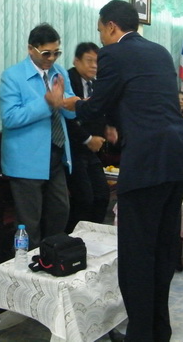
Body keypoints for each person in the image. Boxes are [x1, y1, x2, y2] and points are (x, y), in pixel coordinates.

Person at [64, 0, 183, 341]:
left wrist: (72, 104)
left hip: (147, 163)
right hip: (176, 158)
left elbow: (98, 106)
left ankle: (140, 335)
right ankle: (158, 331)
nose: (100, 39)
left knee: (137, 255)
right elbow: (142, 100)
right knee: (163, 250)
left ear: (111, 27)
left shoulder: (114, 53)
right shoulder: (159, 52)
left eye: (100, 31)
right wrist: (115, 124)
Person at [0, 23, 75, 248]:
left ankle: (51, 257)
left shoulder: (59, 73)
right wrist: (46, 103)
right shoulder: (12, 76)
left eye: (56, 53)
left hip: (56, 154)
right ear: (31, 49)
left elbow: (69, 112)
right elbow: (10, 118)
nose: (51, 58)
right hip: (26, 160)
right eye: (46, 53)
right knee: (29, 222)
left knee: (60, 210)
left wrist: (74, 104)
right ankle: (26, 265)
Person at [65, 42, 111, 232]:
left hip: (91, 151)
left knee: (102, 195)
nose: (94, 66)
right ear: (76, 61)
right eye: (89, 61)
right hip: (72, 150)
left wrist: (108, 127)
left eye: (96, 62)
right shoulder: (68, 80)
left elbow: (101, 111)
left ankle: (94, 235)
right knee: (84, 198)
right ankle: (73, 238)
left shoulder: (97, 84)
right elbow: (67, 118)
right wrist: (88, 138)